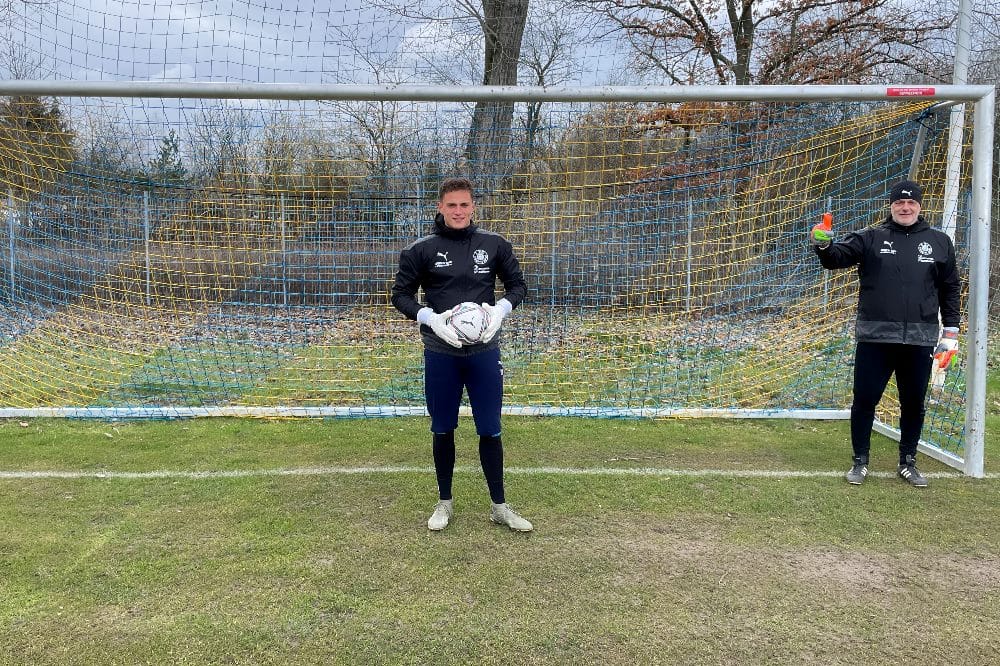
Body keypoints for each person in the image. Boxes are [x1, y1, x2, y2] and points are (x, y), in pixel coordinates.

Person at [391, 177, 532, 531]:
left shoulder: (494, 244)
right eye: (451, 205)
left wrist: (499, 311)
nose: (458, 211)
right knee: (443, 428)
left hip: (484, 351)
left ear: (473, 207)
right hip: (441, 352)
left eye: (464, 205)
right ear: (440, 207)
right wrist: (429, 318)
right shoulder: (420, 250)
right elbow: (400, 295)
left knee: (490, 428)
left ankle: (500, 507)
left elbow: (518, 285)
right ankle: (444, 503)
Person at [810, 179, 961, 487]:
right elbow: (835, 259)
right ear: (891, 206)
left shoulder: (940, 242)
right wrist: (823, 244)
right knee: (865, 400)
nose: (905, 208)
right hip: (875, 337)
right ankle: (860, 461)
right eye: (899, 204)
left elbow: (950, 288)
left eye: (911, 204)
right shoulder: (871, 237)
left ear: (920, 206)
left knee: (914, 403)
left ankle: (908, 461)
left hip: (920, 339)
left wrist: (951, 330)